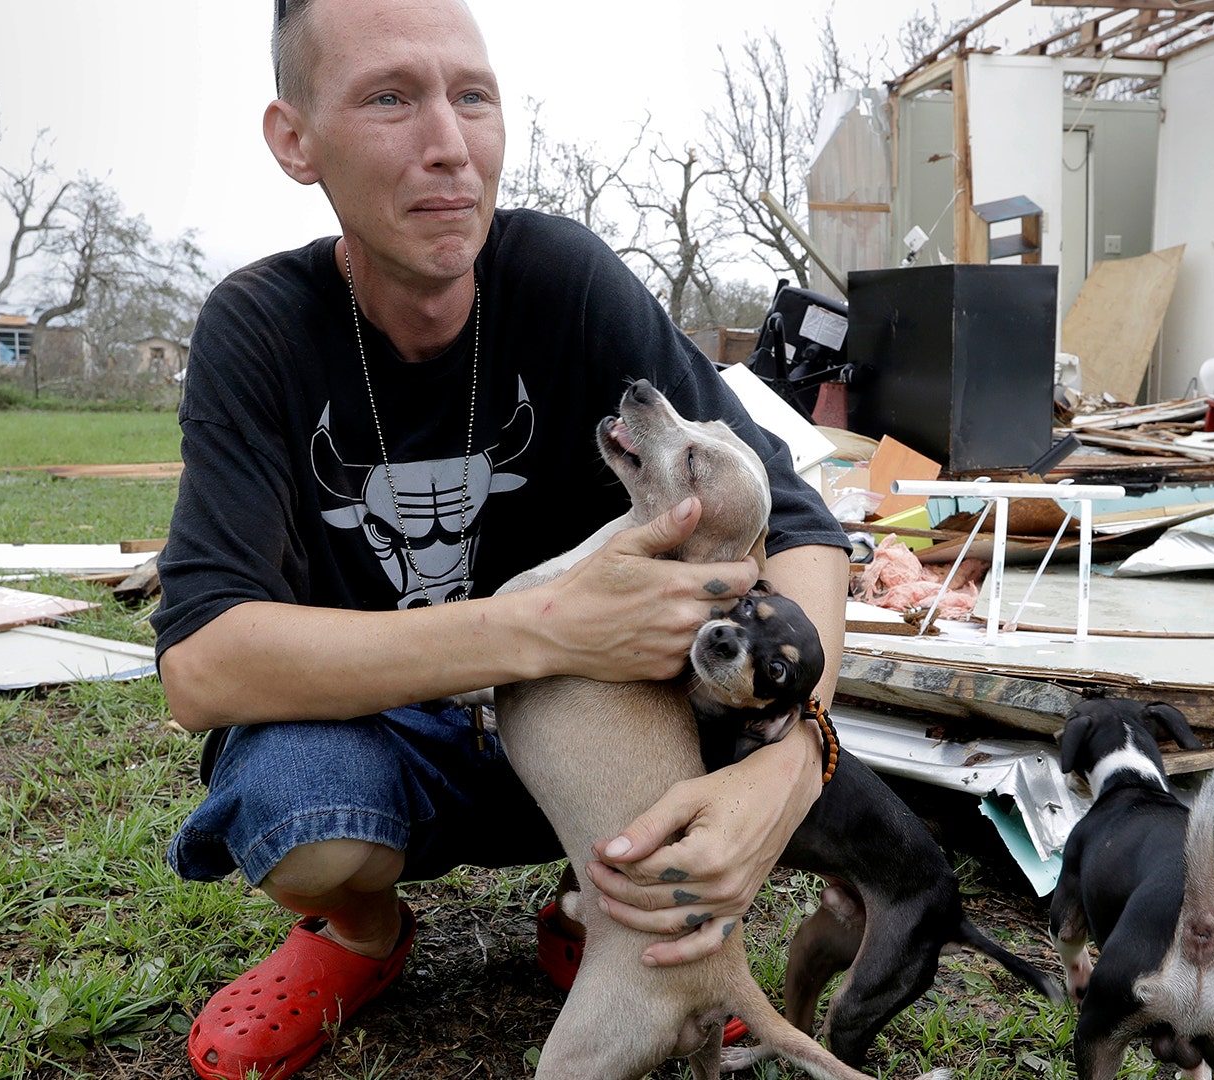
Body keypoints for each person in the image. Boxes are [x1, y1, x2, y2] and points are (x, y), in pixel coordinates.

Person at [150, 0, 852, 1077]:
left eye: (471, 95)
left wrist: (796, 758)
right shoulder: (257, 328)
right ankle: (361, 933)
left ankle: (598, 906)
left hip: (597, 738)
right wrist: (543, 630)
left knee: (734, 677)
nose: (449, 143)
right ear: (296, 141)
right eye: (390, 97)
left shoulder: (565, 279)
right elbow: (203, 663)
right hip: (393, 736)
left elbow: (798, 526)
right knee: (292, 805)